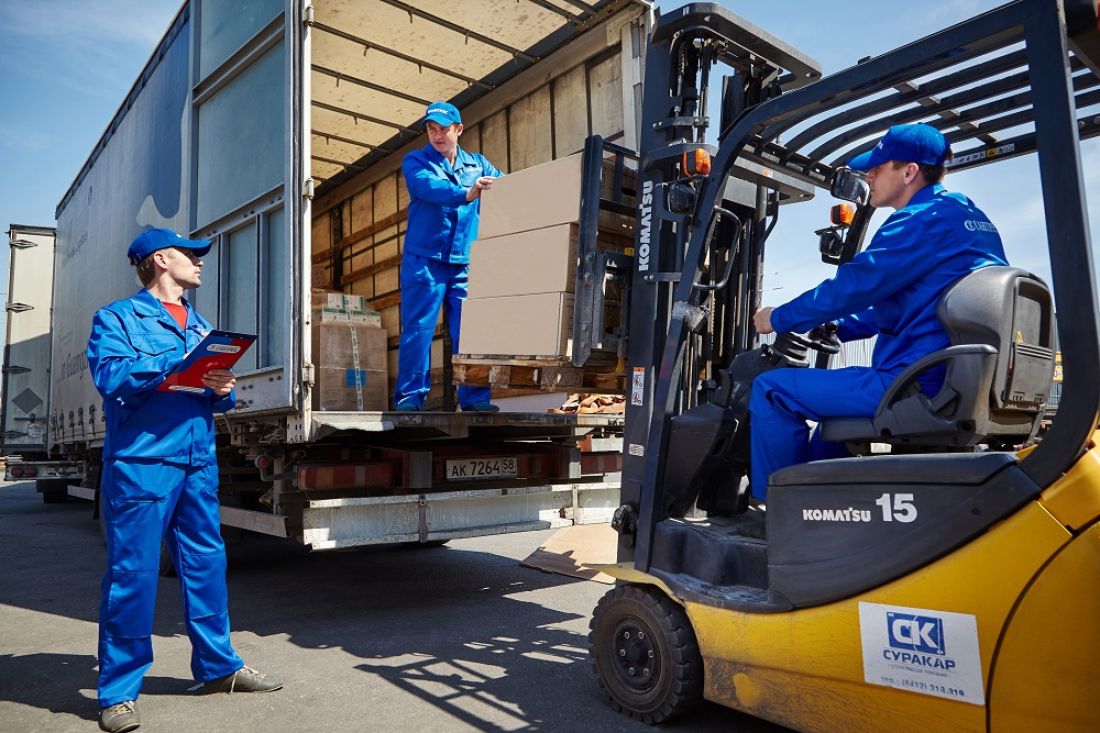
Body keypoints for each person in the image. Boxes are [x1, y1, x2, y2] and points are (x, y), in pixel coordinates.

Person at [748, 124, 1008, 502]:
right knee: (830, 423)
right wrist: (840, 327)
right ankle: (825, 511)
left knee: (771, 389)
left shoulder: (920, 220)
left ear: (909, 171)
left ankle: (774, 511)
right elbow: (909, 303)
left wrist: (779, 317)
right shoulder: (966, 218)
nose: (868, 175)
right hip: (951, 378)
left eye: (877, 167)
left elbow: (853, 286)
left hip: (914, 383)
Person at [87, 228, 281, 733]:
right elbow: (111, 376)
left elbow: (217, 397)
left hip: (197, 458)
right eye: (190, 255)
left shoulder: (200, 325)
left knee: (206, 565)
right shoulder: (117, 318)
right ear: (159, 260)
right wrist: (179, 362)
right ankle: (118, 691)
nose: (200, 262)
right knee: (133, 574)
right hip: (143, 461)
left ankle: (220, 669)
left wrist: (223, 386)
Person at [394, 101, 502, 412]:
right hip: (424, 262)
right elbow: (430, 188)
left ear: (459, 130)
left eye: (444, 129)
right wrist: (467, 193)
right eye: (431, 129)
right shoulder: (416, 161)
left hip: (464, 262)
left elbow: (507, 186)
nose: (437, 135)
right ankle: (409, 398)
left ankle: (475, 399)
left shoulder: (478, 164)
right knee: (418, 329)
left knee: (470, 332)